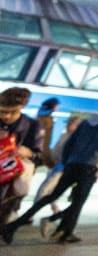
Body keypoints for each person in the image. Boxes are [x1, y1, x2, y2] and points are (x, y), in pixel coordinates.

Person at [3, 97, 98, 244]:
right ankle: (60, 227)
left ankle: (14, 226)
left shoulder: (86, 122)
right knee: (78, 202)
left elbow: (70, 142)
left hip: (72, 164)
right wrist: (95, 161)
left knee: (51, 196)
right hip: (89, 166)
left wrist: (67, 161)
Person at [0, 87, 43, 225]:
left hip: (10, 184)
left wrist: (28, 153)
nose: (7, 116)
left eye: (13, 112)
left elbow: (39, 157)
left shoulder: (33, 126)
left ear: (22, 107)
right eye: (2, 111)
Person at [34, 116, 81, 215]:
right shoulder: (64, 135)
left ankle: (31, 213)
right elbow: (56, 150)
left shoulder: (77, 138)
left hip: (62, 168)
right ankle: (56, 211)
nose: (67, 126)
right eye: (68, 124)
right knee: (52, 191)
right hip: (56, 166)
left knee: (45, 189)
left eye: (71, 124)